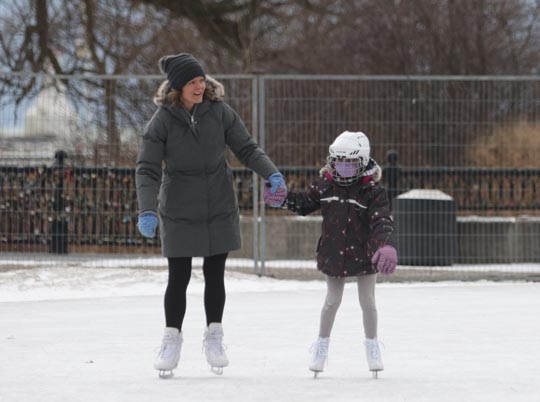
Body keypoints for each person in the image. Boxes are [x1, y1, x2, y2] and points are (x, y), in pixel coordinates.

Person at [135, 53, 287, 377]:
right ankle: (171, 340)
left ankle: (214, 336)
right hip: (178, 208)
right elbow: (147, 169)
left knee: (215, 273)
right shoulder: (162, 121)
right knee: (179, 276)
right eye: (192, 82)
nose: (199, 86)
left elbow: (247, 148)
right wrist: (147, 209)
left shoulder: (219, 112)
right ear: (177, 87)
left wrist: (271, 174)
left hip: (218, 204)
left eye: (202, 80)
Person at [281, 131, 397, 378]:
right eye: (339, 161)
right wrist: (283, 198)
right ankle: (321, 346)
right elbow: (303, 203)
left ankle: (372, 345)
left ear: (362, 162)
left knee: (368, 301)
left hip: (365, 255)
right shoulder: (325, 185)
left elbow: (381, 220)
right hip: (334, 253)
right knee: (332, 301)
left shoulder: (373, 192)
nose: (343, 167)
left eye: (349, 162)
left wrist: (383, 245)